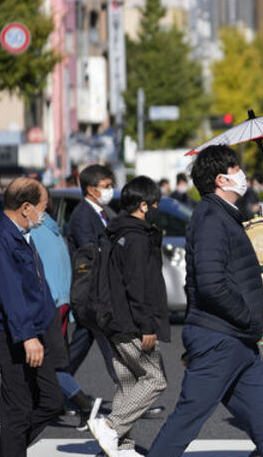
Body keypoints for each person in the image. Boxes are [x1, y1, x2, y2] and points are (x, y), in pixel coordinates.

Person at [148, 145, 263, 456]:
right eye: (236, 169)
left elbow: (198, 281)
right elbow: (210, 284)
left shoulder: (223, 216)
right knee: (185, 421)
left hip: (236, 340)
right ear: (221, 180)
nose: (243, 175)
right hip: (223, 339)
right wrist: (247, 318)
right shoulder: (212, 217)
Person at [0, 178, 65, 457]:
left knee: (51, 401)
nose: (44, 214)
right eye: (43, 207)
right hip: (15, 337)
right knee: (17, 413)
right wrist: (27, 336)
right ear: (26, 208)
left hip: (34, 333)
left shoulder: (19, 234)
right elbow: (10, 293)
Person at [87, 176, 170, 457]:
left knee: (127, 382)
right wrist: (148, 325)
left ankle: (121, 446)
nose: (158, 208)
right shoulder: (136, 238)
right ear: (144, 205)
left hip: (114, 319)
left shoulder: (118, 232)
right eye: (155, 204)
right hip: (132, 322)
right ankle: (111, 426)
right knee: (155, 379)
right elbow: (138, 286)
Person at [30, 211, 100, 432]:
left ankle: (83, 404)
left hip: (47, 303)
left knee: (45, 361)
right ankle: (46, 405)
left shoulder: (34, 233)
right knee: (47, 360)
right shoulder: (53, 230)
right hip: (60, 300)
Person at [65, 165, 119, 404]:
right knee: (112, 346)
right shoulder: (82, 216)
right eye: (106, 186)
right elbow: (91, 252)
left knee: (78, 348)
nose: (110, 190)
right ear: (91, 189)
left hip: (99, 292)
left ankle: (57, 386)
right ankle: (130, 395)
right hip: (92, 294)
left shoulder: (101, 212)